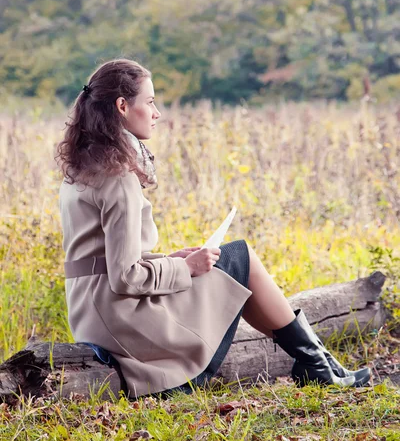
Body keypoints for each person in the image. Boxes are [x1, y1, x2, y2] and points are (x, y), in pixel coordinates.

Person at [56, 59, 371, 399]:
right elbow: (125, 277)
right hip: (124, 321)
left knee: (233, 261)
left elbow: (103, 260)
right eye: (149, 102)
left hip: (93, 313)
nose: (156, 112)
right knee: (241, 258)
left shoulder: (84, 167)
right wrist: (184, 267)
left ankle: (320, 364)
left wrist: (170, 259)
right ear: (122, 106)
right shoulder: (118, 178)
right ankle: (318, 365)